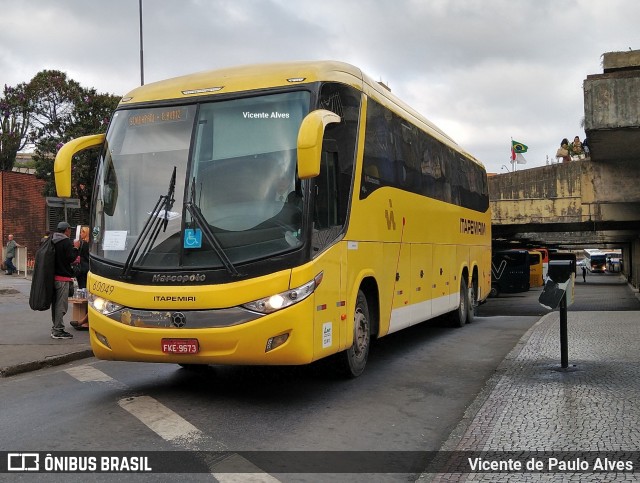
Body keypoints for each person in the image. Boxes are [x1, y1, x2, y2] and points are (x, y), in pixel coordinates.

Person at [51, 221, 78, 340]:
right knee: (62, 305)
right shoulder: (66, 241)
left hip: (53, 277)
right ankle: (58, 330)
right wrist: (76, 248)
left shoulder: (53, 240)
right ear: (66, 230)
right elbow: (71, 258)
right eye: (69, 229)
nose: (70, 231)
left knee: (56, 304)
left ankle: (56, 327)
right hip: (62, 278)